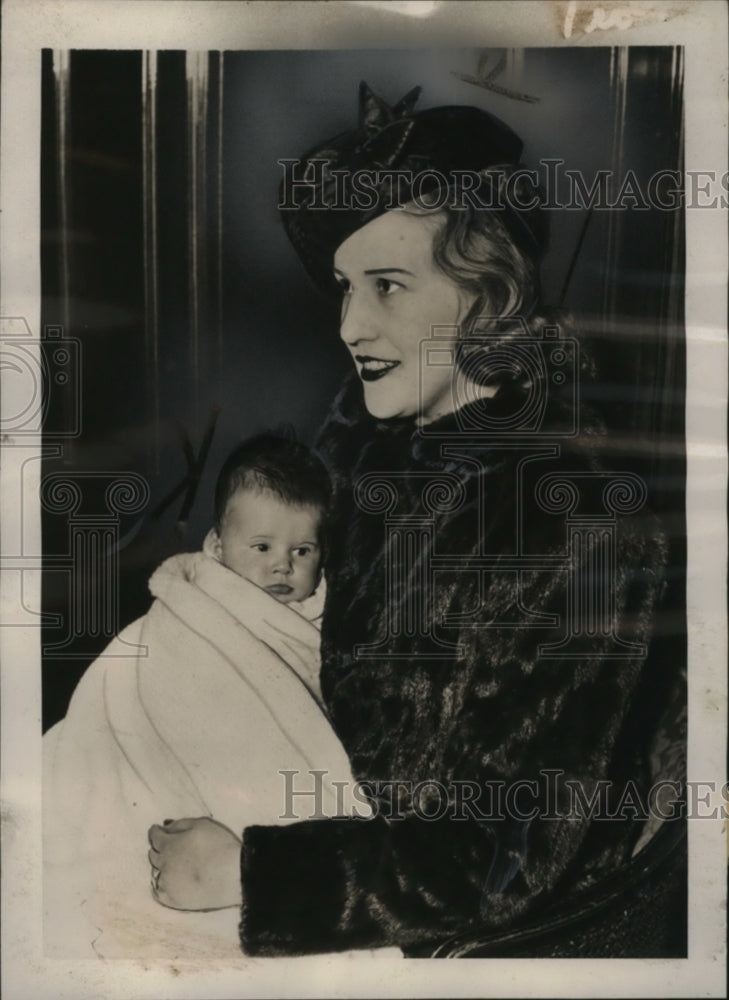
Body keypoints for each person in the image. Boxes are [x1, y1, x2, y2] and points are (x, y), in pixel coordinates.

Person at [148, 84, 676, 957]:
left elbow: (501, 861)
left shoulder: (578, 524)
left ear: (487, 292)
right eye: (344, 288)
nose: (351, 325)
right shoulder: (366, 456)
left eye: (388, 285)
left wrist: (252, 873)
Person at [43, 433, 366, 958]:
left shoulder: (328, 625)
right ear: (216, 546)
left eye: (301, 550)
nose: (282, 565)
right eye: (261, 547)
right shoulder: (197, 611)